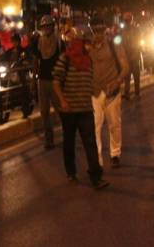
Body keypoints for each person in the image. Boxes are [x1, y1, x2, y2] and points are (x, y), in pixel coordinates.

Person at [52, 25, 110, 189]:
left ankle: (96, 177)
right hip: (69, 110)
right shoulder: (66, 58)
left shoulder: (88, 60)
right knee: (69, 142)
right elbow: (56, 81)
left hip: (85, 108)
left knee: (90, 142)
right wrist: (62, 100)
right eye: (87, 43)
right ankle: (71, 172)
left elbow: (90, 81)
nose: (89, 46)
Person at [89, 17, 129, 168]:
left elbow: (126, 67)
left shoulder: (114, 44)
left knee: (114, 125)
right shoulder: (88, 47)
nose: (97, 33)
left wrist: (117, 82)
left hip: (112, 91)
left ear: (104, 29)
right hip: (94, 92)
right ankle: (97, 159)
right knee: (95, 126)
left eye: (100, 30)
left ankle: (115, 153)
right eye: (94, 30)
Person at [37, 15, 64, 150]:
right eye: (44, 27)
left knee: (60, 109)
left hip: (55, 81)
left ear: (52, 27)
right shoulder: (38, 42)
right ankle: (49, 140)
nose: (46, 29)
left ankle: (67, 133)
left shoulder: (59, 42)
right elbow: (35, 59)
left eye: (48, 26)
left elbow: (64, 60)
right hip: (42, 80)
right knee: (44, 112)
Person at [121, 12, 142, 100]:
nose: (127, 21)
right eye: (126, 20)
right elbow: (120, 41)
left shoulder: (136, 29)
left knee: (135, 75)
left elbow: (138, 41)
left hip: (134, 54)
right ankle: (127, 92)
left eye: (128, 20)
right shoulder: (122, 30)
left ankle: (136, 93)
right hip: (127, 55)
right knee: (127, 75)